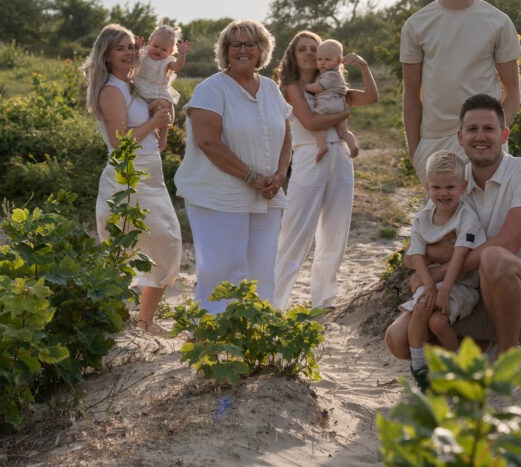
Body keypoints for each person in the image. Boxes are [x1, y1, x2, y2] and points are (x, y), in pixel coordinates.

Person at [385, 93, 521, 362]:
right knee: (398, 340)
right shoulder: (450, 184)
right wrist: (428, 265)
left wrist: (439, 269)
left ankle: (506, 363)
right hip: (469, 296)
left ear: (504, 135)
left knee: (495, 258)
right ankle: (476, 354)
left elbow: (507, 244)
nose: (480, 136)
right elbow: (412, 255)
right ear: (460, 137)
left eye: (489, 129)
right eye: (472, 129)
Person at [174, 20, 291, 314]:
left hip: (267, 196)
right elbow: (207, 142)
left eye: (250, 44)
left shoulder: (271, 89)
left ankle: (255, 332)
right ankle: (212, 336)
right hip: (218, 196)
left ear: (262, 50)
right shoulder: (211, 89)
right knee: (221, 269)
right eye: (235, 44)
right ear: (225, 51)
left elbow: (286, 135)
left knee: (262, 270)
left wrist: (279, 175)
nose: (243, 50)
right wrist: (250, 176)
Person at [400, 0, 521, 184]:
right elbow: (411, 95)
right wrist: (416, 152)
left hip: (484, 142)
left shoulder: (498, 22)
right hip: (435, 143)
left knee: (488, 222)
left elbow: (513, 91)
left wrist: (495, 134)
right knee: (445, 223)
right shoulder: (416, 25)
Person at [81, 23, 182, 336]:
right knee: (133, 248)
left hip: (151, 175)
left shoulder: (134, 85)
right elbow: (118, 142)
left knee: (165, 245)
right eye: (119, 48)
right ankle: (121, 322)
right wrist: (153, 123)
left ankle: (144, 322)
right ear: (107, 56)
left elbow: (163, 103)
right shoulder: (111, 90)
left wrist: (162, 116)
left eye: (130, 46)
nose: (128, 53)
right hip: (127, 177)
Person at [271, 30, 379, 310]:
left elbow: (370, 98)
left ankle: (324, 300)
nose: (308, 53)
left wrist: (364, 67)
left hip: (340, 157)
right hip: (309, 157)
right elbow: (310, 123)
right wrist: (343, 115)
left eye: (314, 48)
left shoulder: (334, 84)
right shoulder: (292, 88)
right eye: (302, 49)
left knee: (335, 231)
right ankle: (275, 302)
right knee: (295, 232)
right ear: (293, 56)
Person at [398, 150, 485, 391]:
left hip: (462, 285)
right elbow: (415, 255)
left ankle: (459, 368)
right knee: (422, 307)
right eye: (436, 187)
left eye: (450, 187)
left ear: (463, 187)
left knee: (437, 322)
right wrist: (428, 286)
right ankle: (419, 367)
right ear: (427, 187)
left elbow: (459, 256)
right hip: (433, 282)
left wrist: (444, 290)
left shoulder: (466, 217)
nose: (443, 193)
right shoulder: (423, 219)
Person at [132, 24, 191, 150]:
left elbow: (177, 66)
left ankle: (163, 136)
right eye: (155, 46)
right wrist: (136, 48)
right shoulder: (143, 54)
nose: (158, 50)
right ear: (150, 42)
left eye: (163, 50)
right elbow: (133, 60)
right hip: (138, 87)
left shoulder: (167, 62)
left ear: (170, 51)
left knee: (165, 109)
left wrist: (182, 54)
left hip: (156, 92)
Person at [305, 38, 359, 160]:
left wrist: (306, 86)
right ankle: (353, 145)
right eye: (319, 59)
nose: (322, 63)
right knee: (343, 132)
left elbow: (318, 87)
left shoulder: (331, 75)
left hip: (327, 105)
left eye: (327, 59)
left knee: (317, 126)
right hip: (339, 107)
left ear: (339, 61)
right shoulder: (334, 75)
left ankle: (322, 146)